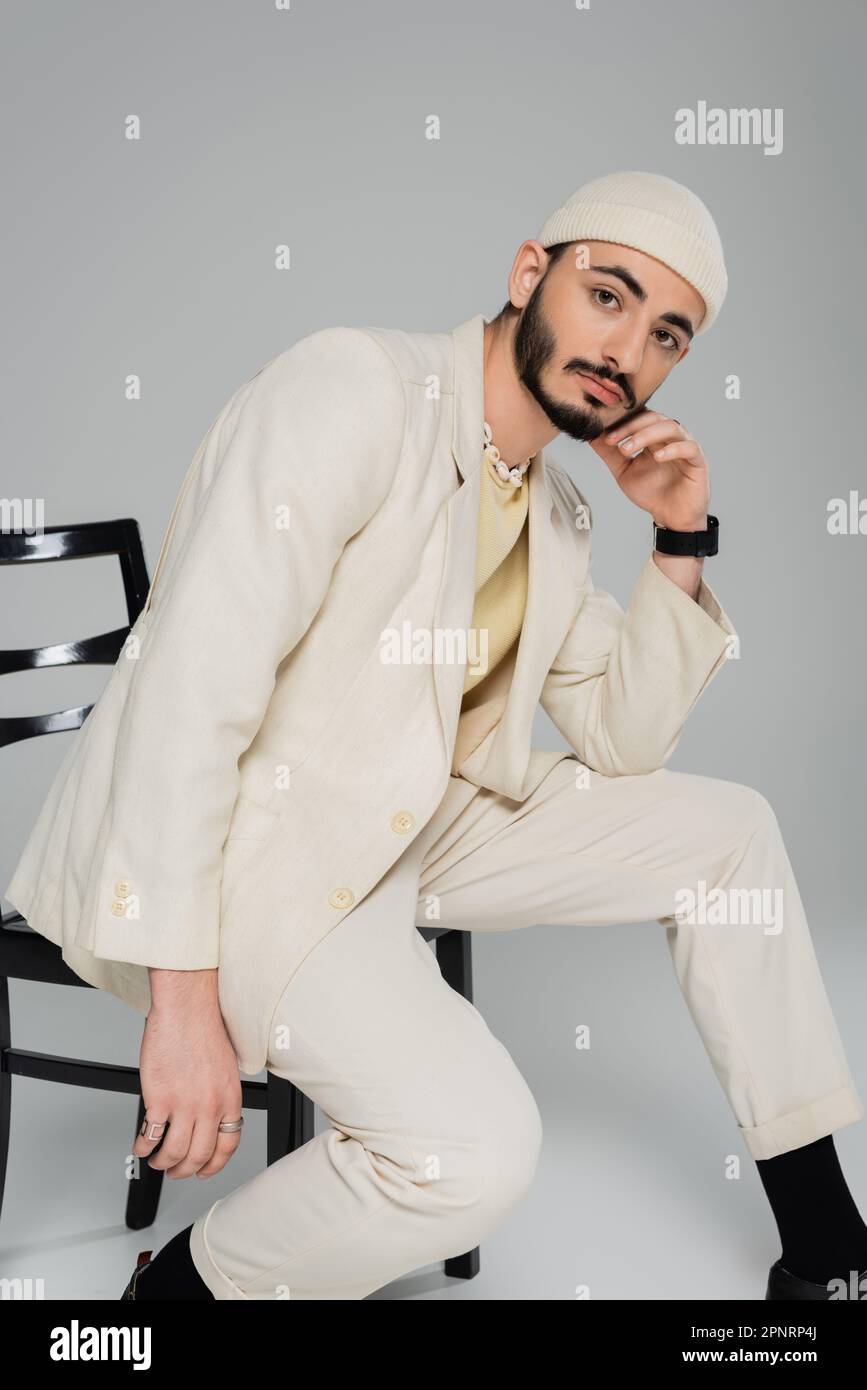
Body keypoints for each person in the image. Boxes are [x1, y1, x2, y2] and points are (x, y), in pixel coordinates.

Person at [8, 172, 866, 1302]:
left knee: (731, 834)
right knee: (476, 1151)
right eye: (607, 295)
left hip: (421, 818)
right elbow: (187, 688)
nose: (627, 349)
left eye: (666, 335)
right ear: (528, 275)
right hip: (264, 852)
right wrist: (181, 1004)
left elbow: (620, 736)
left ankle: (826, 1247)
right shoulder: (353, 388)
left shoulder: (555, 510)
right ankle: (175, 1298)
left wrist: (678, 537)